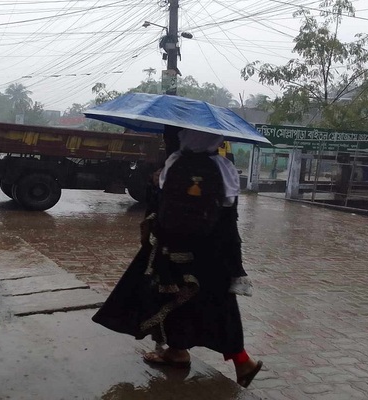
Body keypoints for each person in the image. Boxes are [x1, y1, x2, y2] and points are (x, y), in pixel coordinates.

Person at [92, 128, 262, 387]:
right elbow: (230, 217)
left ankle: (183, 352)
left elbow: (159, 207)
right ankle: (228, 359)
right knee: (218, 303)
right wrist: (233, 260)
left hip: (172, 249)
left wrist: (155, 182)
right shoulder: (225, 167)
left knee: (169, 298)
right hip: (212, 252)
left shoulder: (174, 162)